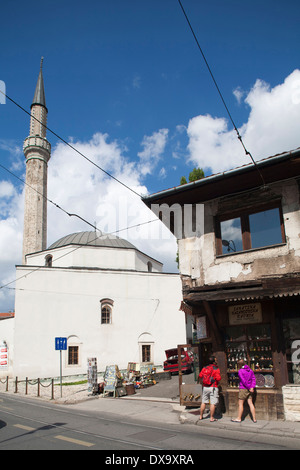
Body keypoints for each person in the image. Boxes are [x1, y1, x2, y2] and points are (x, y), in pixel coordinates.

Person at [198, 356, 221, 422]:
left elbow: (200, 376)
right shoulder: (216, 368)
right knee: (212, 403)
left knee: (203, 402)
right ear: (214, 361)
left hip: (205, 387)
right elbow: (218, 378)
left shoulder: (204, 368)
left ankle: (200, 416)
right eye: (216, 360)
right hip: (213, 387)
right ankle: (211, 417)